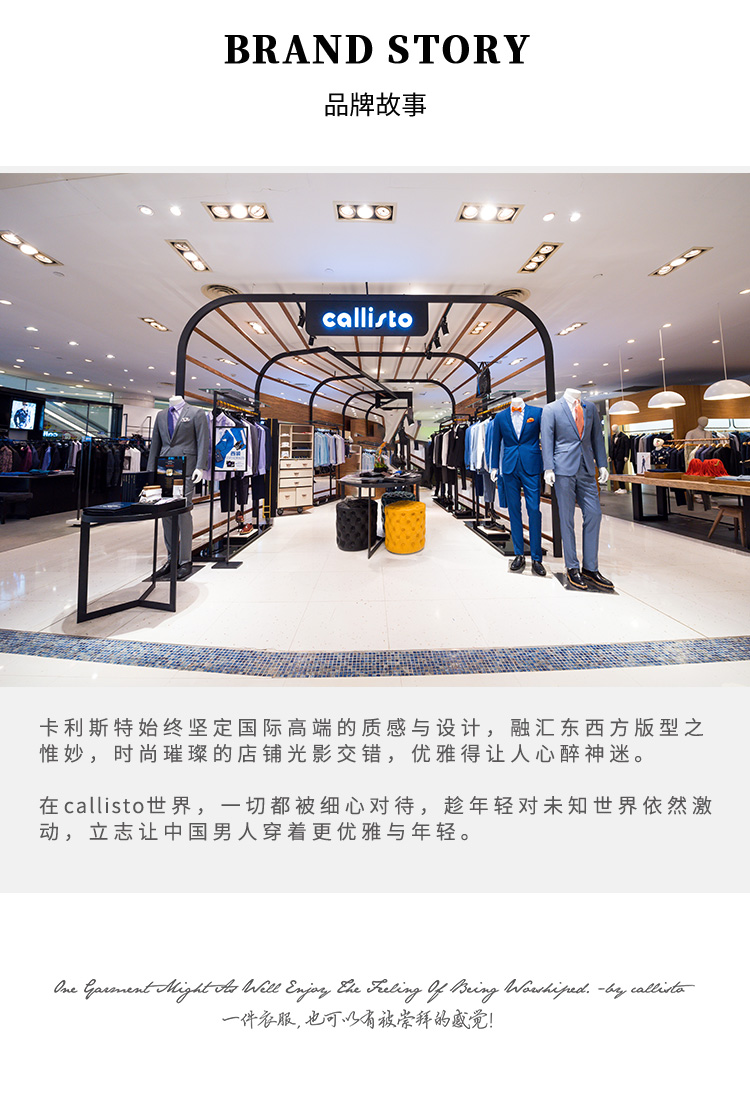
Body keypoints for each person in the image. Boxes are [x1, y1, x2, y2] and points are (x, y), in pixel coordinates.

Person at [541, 388, 613, 591]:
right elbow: (547, 439)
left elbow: (596, 437)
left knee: (594, 514)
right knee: (567, 518)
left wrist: (602, 464)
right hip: (563, 467)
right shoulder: (551, 409)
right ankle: (572, 566)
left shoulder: (589, 408)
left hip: (587, 468)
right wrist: (548, 467)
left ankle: (590, 568)